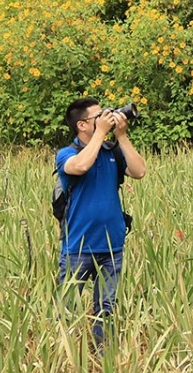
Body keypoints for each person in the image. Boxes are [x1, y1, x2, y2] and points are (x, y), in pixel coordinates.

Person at [55, 97, 148, 344]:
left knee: (106, 309)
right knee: (68, 310)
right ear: (82, 125)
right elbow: (81, 166)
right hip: (78, 247)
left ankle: (104, 358)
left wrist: (122, 136)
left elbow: (139, 171)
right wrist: (101, 134)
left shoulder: (112, 151)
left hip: (112, 245)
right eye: (98, 117)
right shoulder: (66, 154)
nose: (104, 118)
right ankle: (66, 358)